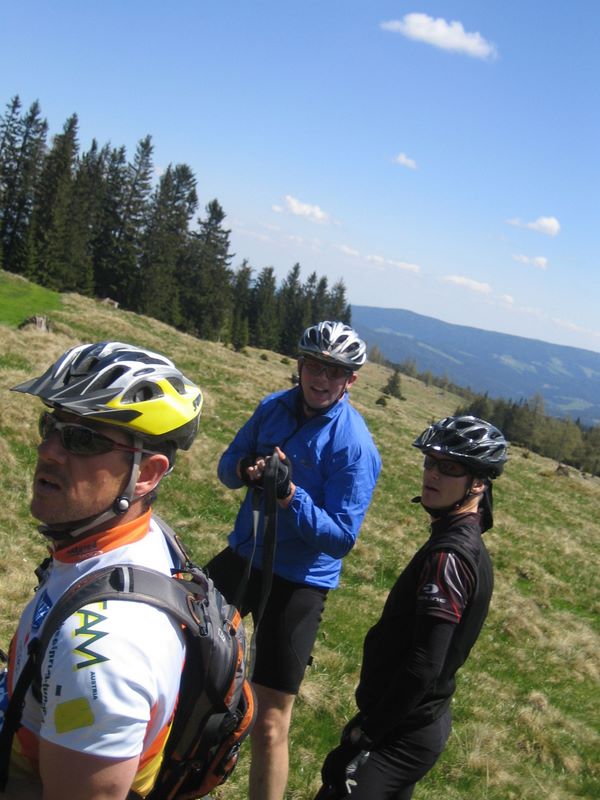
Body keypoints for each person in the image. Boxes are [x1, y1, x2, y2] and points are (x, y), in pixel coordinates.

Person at [0, 341, 203, 800]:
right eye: (51, 425)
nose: (48, 450)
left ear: (147, 474)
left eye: (82, 439)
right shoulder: (134, 537)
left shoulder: (102, 652)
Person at [204, 320, 382, 800]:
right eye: (314, 366)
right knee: (181, 662)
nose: (321, 378)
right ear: (300, 365)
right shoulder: (273, 408)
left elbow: (341, 538)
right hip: (245, 557)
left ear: (351, 380)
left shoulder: (354, 445)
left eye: (334, 371)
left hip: (300, 583)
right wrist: (248, 469)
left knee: (269, 722)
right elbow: (226, 466)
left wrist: (289, 495)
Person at [314, 415, 508, 800]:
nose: (432, 473)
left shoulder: (449, 556)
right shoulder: (461, 541)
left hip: (400, 733)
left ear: (478, 482)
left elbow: (424, 665)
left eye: (449, 467)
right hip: (413, 720)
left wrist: (365, 736)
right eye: (430, 462)